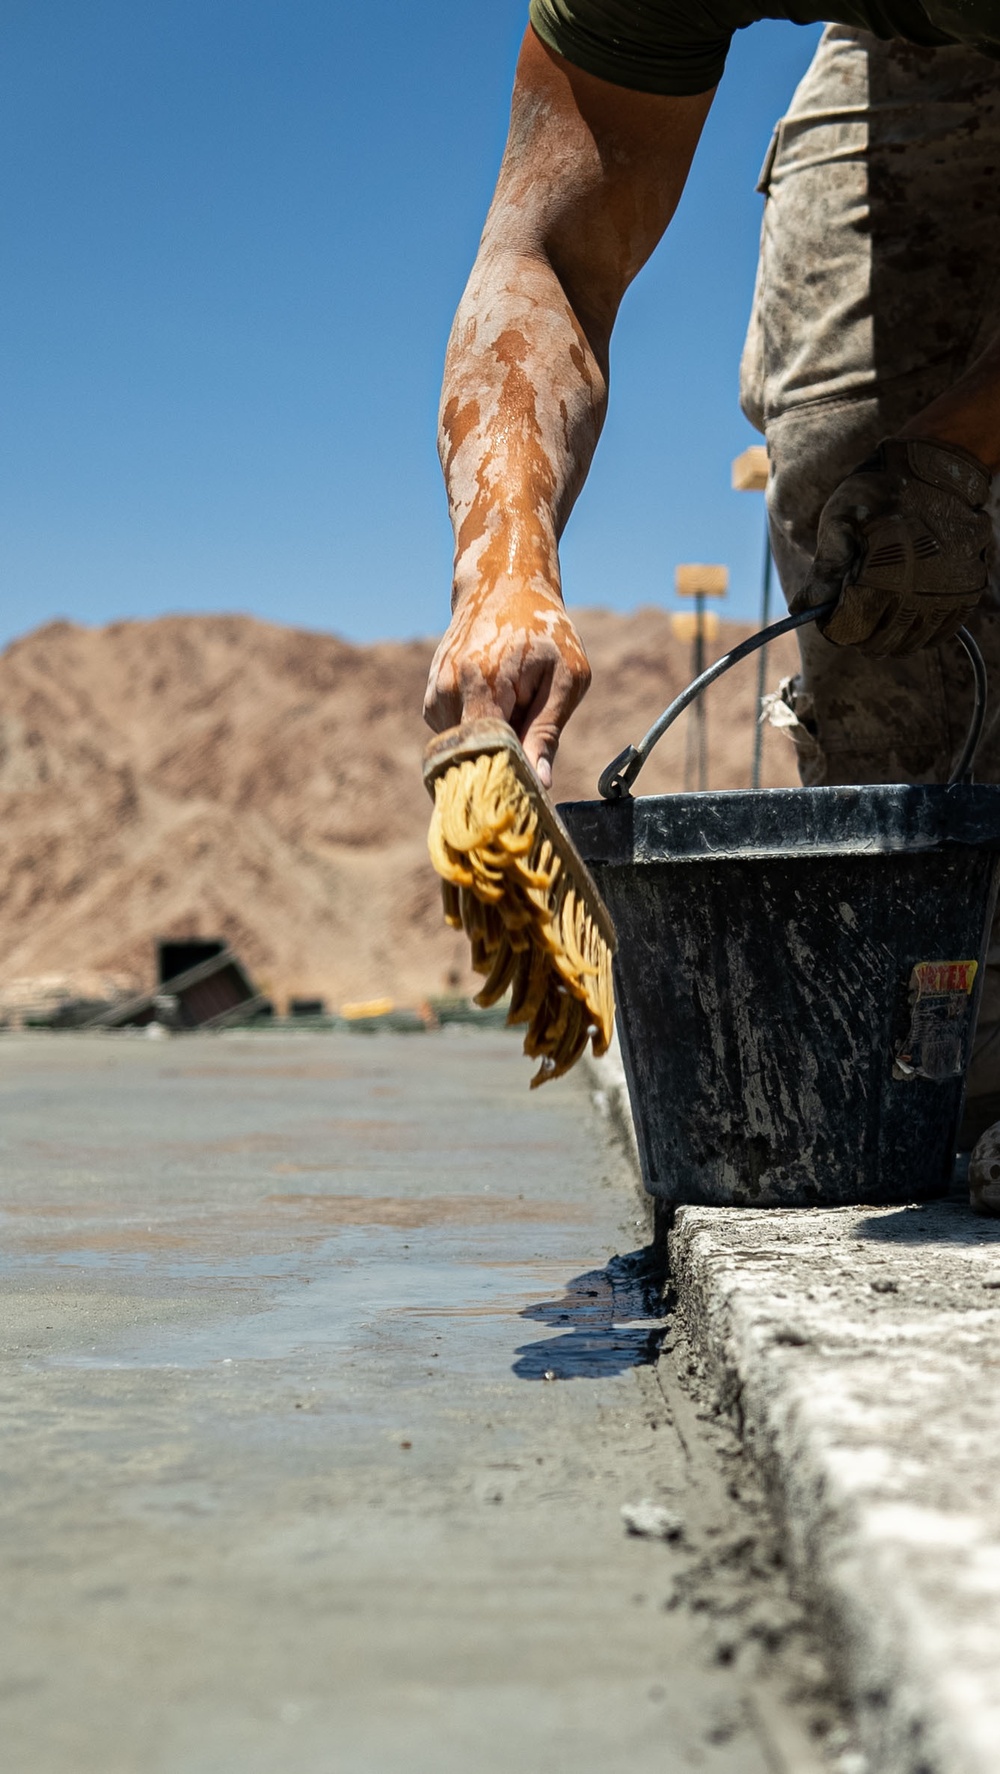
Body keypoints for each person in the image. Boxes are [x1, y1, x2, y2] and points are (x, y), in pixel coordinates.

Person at [422, 2, 1000, 1198]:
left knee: (942, 483)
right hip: (908, 64)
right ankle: (952, 1077)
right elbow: (551, 258)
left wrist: (960, 452)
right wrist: (503, 565)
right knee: (855, 489)